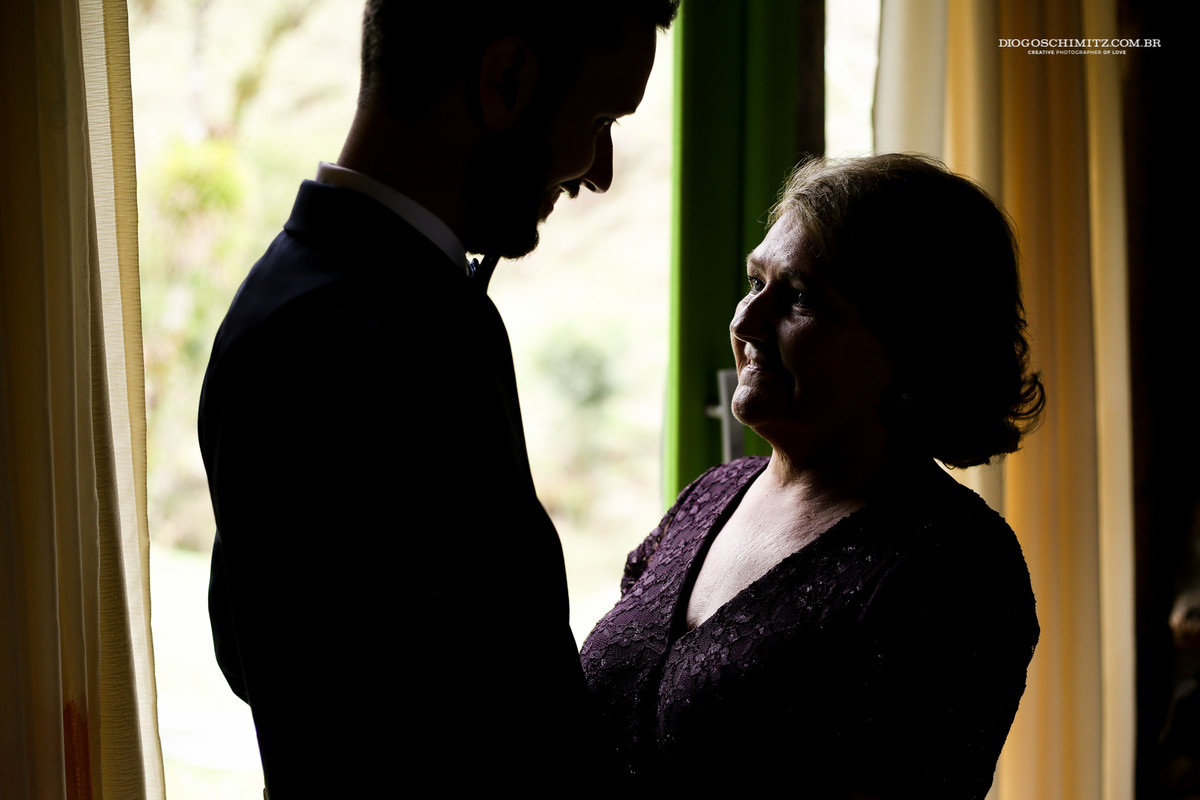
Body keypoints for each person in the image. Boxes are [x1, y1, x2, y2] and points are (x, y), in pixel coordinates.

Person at [197, 1, 677, 794]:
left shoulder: (283, 295)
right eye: (598, 119)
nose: (599, 170)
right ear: (507, 78)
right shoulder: (396, 341)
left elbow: (242, 649)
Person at [581, 154, 1045, 798]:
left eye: (799, 299)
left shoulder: (955, 567)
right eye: (754, 283)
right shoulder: (710, 497)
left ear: (916, 351)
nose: (746, 323)